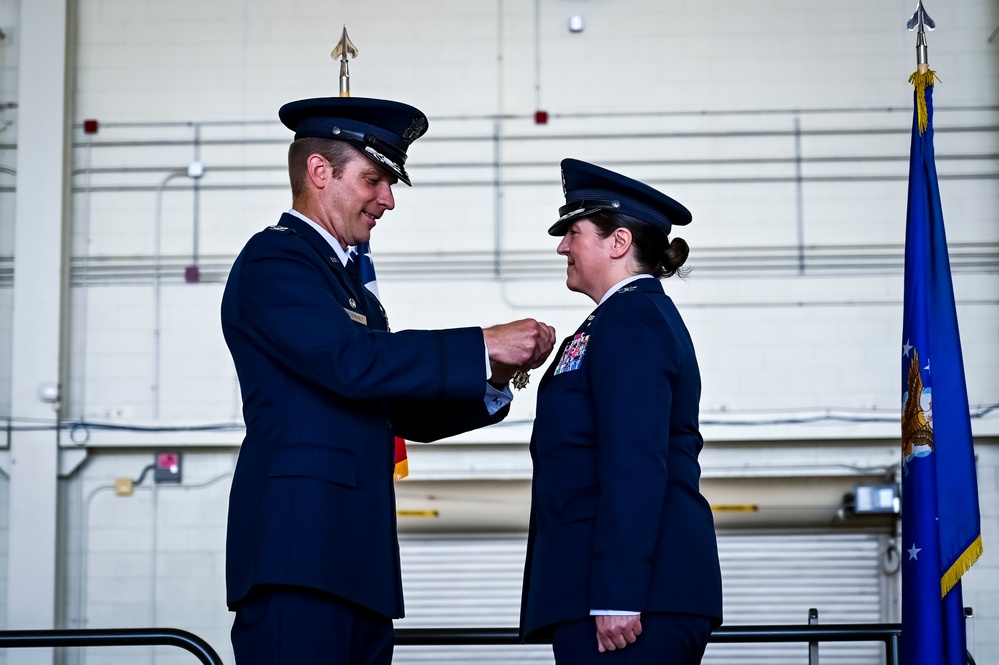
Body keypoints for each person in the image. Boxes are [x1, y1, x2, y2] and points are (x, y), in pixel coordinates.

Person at [221, 95, 556, 665]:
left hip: (356, 561)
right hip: (299, 555)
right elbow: (352, 364)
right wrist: (480, 342)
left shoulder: (345, 284)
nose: (388, 200)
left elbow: (396, 407)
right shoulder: (274, 263)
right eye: (373, 179)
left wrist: (494, 375)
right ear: (319, 172)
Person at [519, 159, 722, 664]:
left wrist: (618, 588)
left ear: (619, 242)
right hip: (620, 593)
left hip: (631, 602)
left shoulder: (631, 320)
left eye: (575, 231)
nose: (562, 245)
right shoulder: (617, 319)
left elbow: (634, 458)